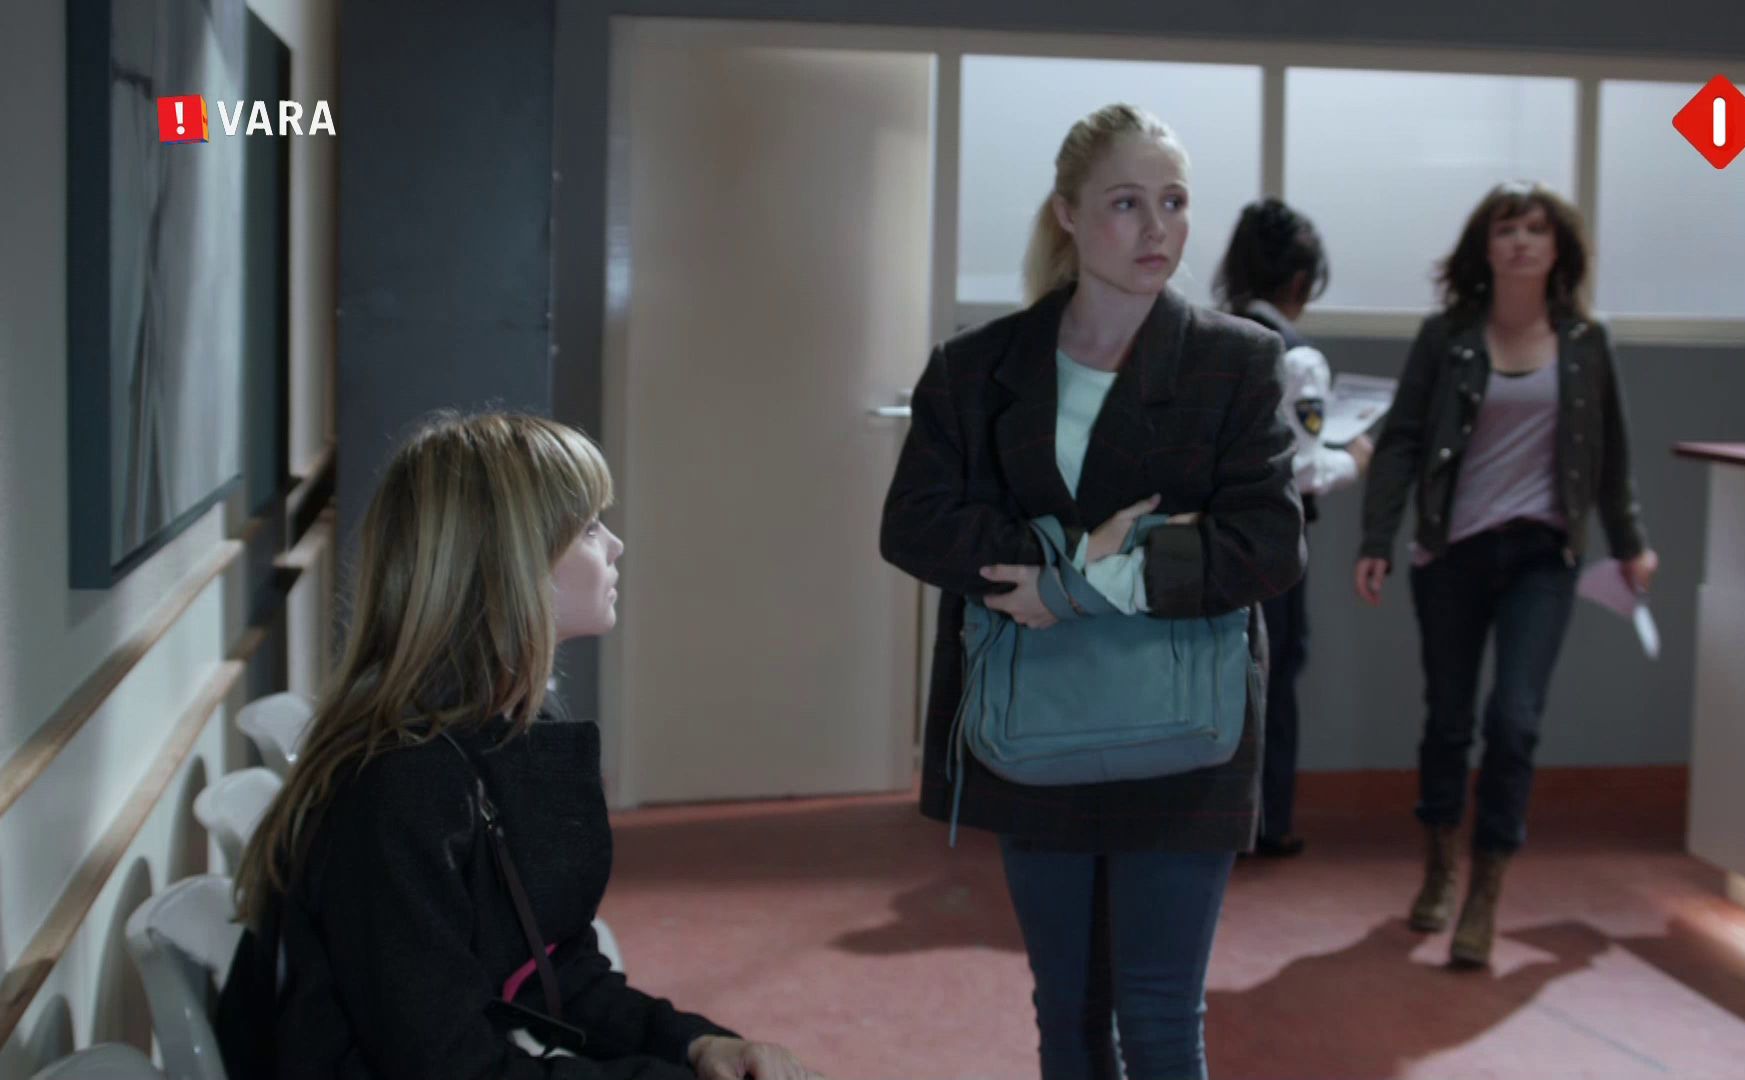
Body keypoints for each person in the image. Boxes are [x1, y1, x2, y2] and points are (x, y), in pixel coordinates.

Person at [879, 103, 1305, 1079]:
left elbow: (1269, 545)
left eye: (1174, 202)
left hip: (1187, 726)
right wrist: (1066, 557)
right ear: (1068, 214)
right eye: (1125, 203)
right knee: (1067, 1016)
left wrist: (1083, 583)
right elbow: (914, 524)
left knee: (1159, 1018)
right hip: (1038, 726)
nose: (1157, 228)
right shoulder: (975, 367)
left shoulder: (1236, 360)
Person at [219, 412, 825, 1079]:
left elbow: (547, 968)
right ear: (509, 569)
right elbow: (455, 1070)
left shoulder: (482, 736)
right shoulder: (400, 788)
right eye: (588, 528)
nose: (615, 545)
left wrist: (696, 1046)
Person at [1353, 182, 1658, 967]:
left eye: (1536, 229)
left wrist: (1631, 542)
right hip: (1452, 554)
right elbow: (1403, 439)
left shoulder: (1586, 341)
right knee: (1449, 720)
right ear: (1484, 247)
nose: (1521, 241)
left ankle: (1487, 888)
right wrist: (1378, 536)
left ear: (1559, 248)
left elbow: (1610, 454)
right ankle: (1440, 867)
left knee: (1515, 721)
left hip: (1541, 557)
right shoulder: (1447, 336)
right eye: (1506, 228)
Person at [1215, 197, 1374, 857]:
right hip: (1272, 545)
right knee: (1273, 674)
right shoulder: (1298, 357)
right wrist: (1356, 456)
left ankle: (1213, 815)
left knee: (1221, 673)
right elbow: (1303, 469)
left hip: (1209, 536)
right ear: (1302, 281)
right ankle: (1265, 822)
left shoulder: (1210, 334)